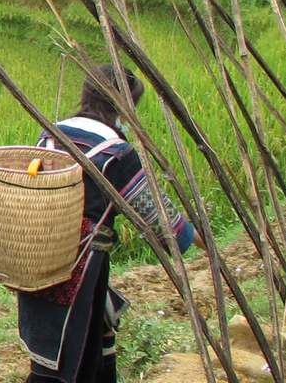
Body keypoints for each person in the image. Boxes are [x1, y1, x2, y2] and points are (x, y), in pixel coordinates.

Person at [19, 64, 198, 383]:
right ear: (124, 106)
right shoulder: (116, 153)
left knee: (52, 352)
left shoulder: (51, 134)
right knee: (71, 361)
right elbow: (162, 222)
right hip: (81, 270)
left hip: (40, 257)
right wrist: (196, 238)